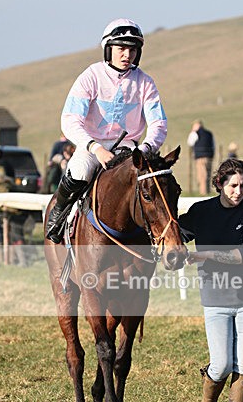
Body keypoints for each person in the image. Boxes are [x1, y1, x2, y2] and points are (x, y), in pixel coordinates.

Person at [46, 18, 167, 243]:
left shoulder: (145, 83)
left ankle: (161, 234)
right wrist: (95, 148)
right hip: (92, 146)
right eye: (121, 48)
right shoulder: (90, 76)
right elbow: (70, 120)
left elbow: (159, 123)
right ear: (108, 49)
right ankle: (58, 214)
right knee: (80, 171)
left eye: (132, 50)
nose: (127, 55)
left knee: (154, 183)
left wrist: (146, 149)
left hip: (130, 149)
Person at [178, 158, 243, 402]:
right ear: (219, 183)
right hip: (215, 299)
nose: (238, 191)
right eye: (232, 185)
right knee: (221, 364)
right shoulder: (201, 211)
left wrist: (205, 256)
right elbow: (175, 236)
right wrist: (170, 252)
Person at [187, 120, 216, 195]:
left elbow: (190, 142)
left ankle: (203, 193)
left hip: (200, 157)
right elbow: (213, 145)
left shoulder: (195, 133)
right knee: (208, 174)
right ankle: (208, 191)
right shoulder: (209, 133)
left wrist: (192, 131)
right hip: (209, 156)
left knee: (202, 175)